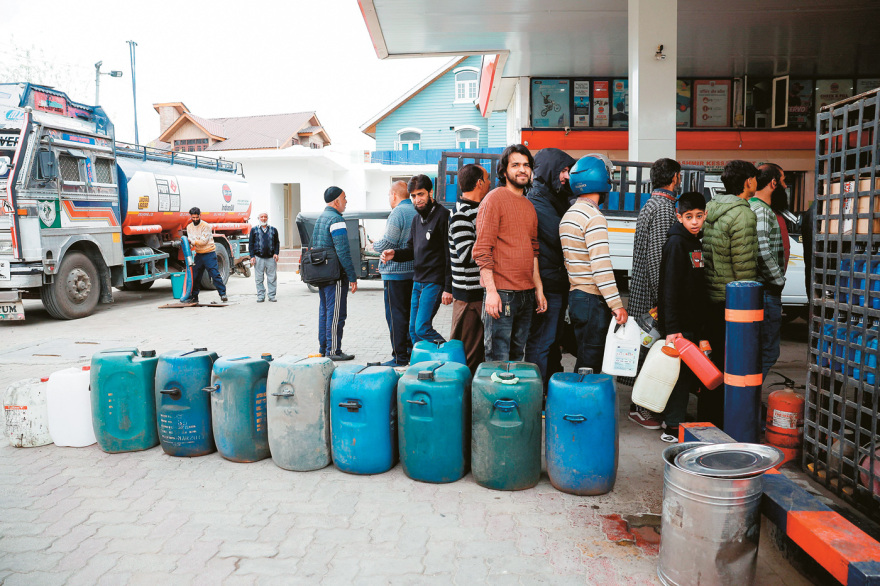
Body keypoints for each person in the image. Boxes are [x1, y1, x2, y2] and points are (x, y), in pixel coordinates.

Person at [473, 145, 547, 362]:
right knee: (498, 358)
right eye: (515, 165)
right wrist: (491, 291)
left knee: (517, 358)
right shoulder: (493, 199)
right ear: (504, 171)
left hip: (526, 294)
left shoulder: (529, 206)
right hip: (502, 294)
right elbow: (482, 250)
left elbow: (533, 250)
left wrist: (539, 289)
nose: (522, 170)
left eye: (526, 165)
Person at [625, 157, 682, 430]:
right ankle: (641, 408)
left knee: (644, 349)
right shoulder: (663, 208)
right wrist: (664, 299)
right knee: (650, 352)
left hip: (642, 289)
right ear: (674, 177)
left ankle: (640, 405)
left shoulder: (651, 203)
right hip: (652, 295)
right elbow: (658, 258)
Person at [702, 160, 759, 426]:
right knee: (733, 362)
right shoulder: (743, 215)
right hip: (732, 302)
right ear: (748, 182)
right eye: (754, 178)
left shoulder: (712, 208)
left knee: (712, 361)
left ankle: (708, 416)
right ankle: (727, 420)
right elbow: (744, 268)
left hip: (711, 295)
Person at [559, 154, 628, 372]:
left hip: (576, 297)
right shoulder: (594, 217)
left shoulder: (569, 215)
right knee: (590, 364)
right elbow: (601, 267)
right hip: (591, 299)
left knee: (584, 357)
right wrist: (616, 305)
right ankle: (580, 395)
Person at [657, 192, 708, 443]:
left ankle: (675, 419)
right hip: (679, 326)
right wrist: (672, 328)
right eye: (689, 217)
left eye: (699, 216)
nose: (695, 221)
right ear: (679, 217)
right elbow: (669, 288)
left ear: (705, 215)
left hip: (691, 321)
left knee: (685, 375)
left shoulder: (695, 241)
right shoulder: (677, 243)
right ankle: (672, 426)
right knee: (677, 377)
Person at [380, 175, 452, 345]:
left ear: (430, 192)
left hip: (434, 282)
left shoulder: (443, 216)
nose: (417, 200)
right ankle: (424, 361)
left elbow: (449, 254)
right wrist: (394, 254)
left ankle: (448, 354)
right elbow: (411, 251)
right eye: (413, 196)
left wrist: (448, 288)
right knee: (413, 330)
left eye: (421, 194)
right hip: (417, 281)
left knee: (422, 328)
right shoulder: (416, 219)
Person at [524, 147, 576, 383]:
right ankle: (536, 391)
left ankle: (548, 387)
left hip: (555, 281)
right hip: (547, 285)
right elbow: (560, 235)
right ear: (549, 170)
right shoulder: (537, 200)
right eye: (562, 170)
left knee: (552, 340)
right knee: (541, 342)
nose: (566, 176)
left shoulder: (554, 196)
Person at [448, 164, 490, 373]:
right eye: (487, 179)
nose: (490, 183)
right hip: (469, 298)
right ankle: (466, 392)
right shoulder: (461, 214)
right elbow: (466, 255)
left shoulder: (476, 210)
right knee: (470, 357)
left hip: (476, 295)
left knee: (475, 353)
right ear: (479, 183)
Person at [372, 181, 418, 366]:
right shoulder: (416, 210)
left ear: (393, 195)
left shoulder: (397, 213)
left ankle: (399, 357)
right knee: (410, 316)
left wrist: (374, 245)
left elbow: (388, 242)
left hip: (396, 274)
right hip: (413, 273)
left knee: (396, 317)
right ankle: (411, 353)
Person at [311, 186, 358, 361]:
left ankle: (324, 348)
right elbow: (343, 251)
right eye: (344, 198)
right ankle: (333, 351)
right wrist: (352, 276)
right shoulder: (336, 219)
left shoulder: (321, 219)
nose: (346, 201)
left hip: (322, 274)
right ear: (336, 201)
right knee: (336, 314)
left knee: (325, 312)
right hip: (335, 275)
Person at [751, 164, 787, 381]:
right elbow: (762, 250)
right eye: (783, 181)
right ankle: (749, 395)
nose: (785, 186)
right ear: (773, 183)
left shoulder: (752, 206)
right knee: (768, 351)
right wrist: (778, 280)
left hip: (759, 290)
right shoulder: (763, 210)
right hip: (766, 290)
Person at [183, 206, 227, 303]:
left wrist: (192, 242)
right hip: (199, 254)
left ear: (200, 215)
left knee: (214, 274)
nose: (195, 219)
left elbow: (203, 242)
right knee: (195, 276)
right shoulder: (189, 227)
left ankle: (223, 294)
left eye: (197, 217)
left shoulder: (206, 226)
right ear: (191, 217)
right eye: (193, 217)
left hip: (209, 253)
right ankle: (194, 297)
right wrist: (189, 243)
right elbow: (191, 241)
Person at [248, 212, 280, 303]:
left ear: (267, 218)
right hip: (258, 258)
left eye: (265, 217)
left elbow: (277, 243)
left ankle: (272, 296)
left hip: (271, 258)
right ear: (258, 218)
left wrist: (276, 253)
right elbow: (251, 244)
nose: (263, 218)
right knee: (259, 279)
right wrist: (252, 256)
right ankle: (261, 296)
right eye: (261, 217)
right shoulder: (254, 230)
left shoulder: (273, 230)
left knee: (272, 278)